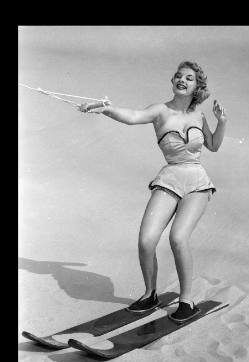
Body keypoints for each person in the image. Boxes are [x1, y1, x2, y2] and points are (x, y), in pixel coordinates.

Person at [78, 61, 227, 323]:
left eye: (189, 78)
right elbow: (133, 117)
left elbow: (213, 145)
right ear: (173, 81)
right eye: (179, 76)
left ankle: (187, 301)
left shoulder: (199, 116)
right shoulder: (160, 110)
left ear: (197, 86)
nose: (182, 80)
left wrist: (222, 122)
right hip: (170, 177)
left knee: (178, 239)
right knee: (146, 240)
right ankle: (150, 295)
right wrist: (106, 109)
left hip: (197, 183)